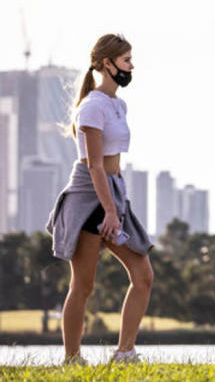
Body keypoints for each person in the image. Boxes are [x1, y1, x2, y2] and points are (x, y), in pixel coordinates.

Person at [46, 34, 153, 365]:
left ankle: (124, 353)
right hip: (90, 198)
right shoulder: (91, 106)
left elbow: (111, 163)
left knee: (143, 274)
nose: (131, 66)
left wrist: (116, 205)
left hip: (114, 193)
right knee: (83, 285)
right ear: (107, 63)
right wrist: (108, 211)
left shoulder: (117, 104)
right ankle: (72, 358)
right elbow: (94, 166)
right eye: (126, 60)